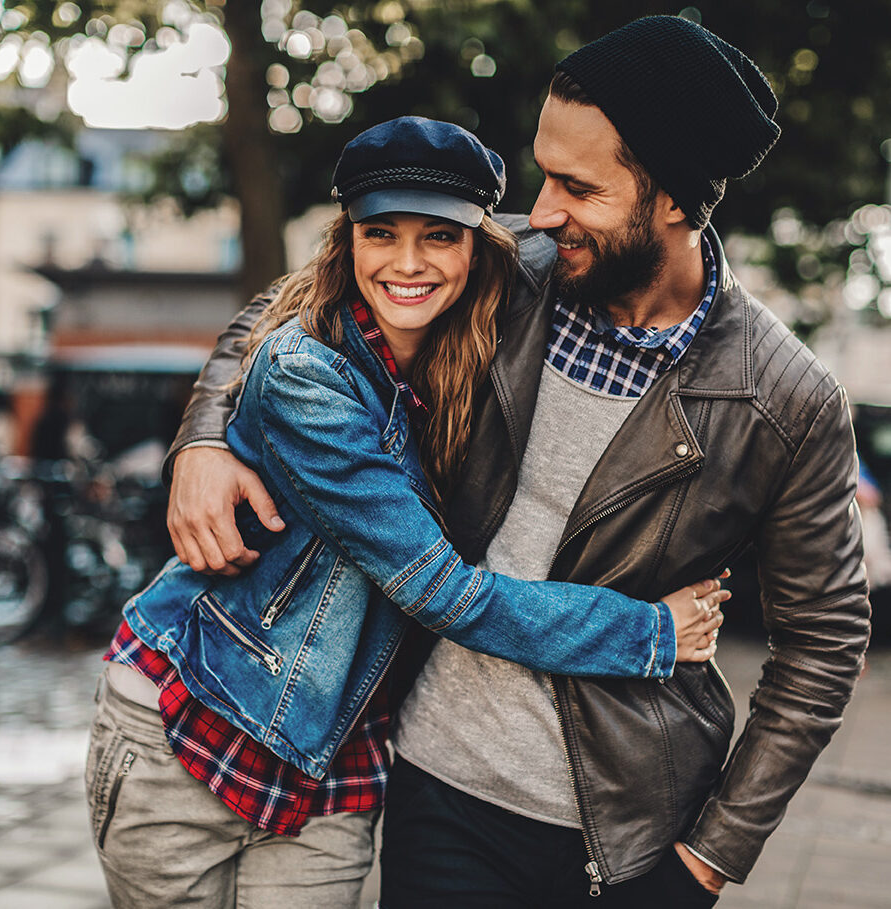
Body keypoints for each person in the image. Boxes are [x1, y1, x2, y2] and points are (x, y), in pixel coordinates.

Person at [164, 17, 871, 907]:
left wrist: (708, 860)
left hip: (625, 833)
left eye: (577, 186)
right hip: (436, 786)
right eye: (543, 174)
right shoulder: (508, 267)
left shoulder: (784, 399)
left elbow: (824, 641)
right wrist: (202, 437)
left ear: (677, 202)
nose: (538, 210)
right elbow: (300, 301)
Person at [86, 116, 727, 909]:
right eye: (379, 233)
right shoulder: (305, 378)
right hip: (195, 724)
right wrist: (649, 633)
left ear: (479, 246)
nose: (407, 262)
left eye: (438, 237)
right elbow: (440, 591)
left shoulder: (481, 327)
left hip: (337, 758)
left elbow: (633, 253)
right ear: (346, 241)